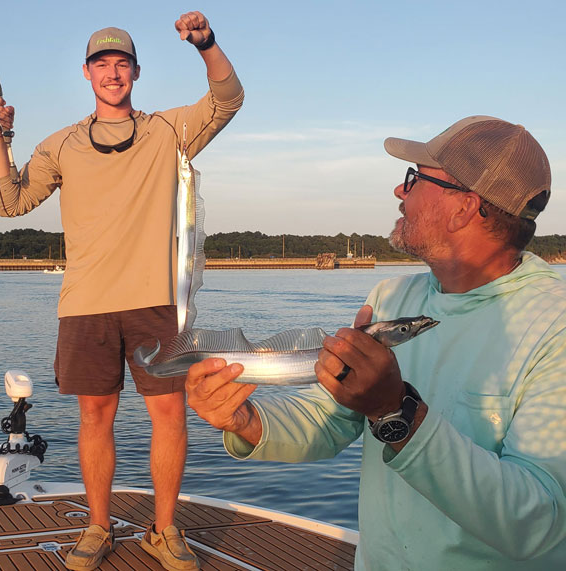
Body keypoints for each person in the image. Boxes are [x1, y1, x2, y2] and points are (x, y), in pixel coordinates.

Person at [185, 116, 566, 569]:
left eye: (414, 179)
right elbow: (332, 419)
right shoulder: (393, 298)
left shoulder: (554, 326)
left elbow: (539, 522)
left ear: (463, 207)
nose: (399, 192)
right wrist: (245, 419)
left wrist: (397, 412)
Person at [0, 11, 243, 571]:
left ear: (136, 72)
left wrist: (207, 44)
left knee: (169, 416)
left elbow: (227, 98)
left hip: (157, 300)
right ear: (86, 73)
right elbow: (10, 202)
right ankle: (98, 526)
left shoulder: (169, 131)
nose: (112, 72)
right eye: (102, 63)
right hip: (86, 304)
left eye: (121, 63)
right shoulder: (62, 145)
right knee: (94, 418)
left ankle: (165, 529)